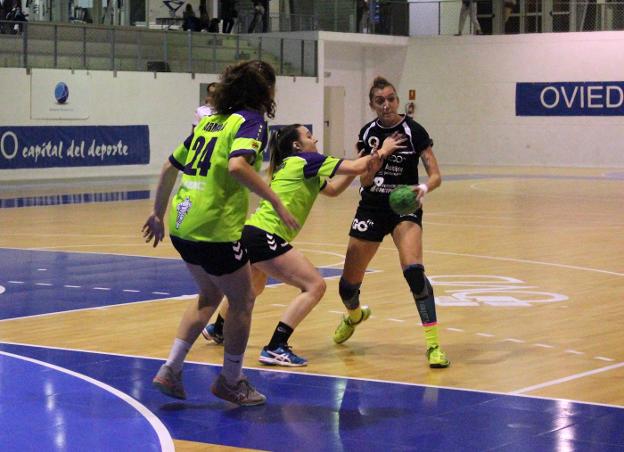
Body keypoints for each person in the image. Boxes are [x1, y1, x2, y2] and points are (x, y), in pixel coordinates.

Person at [143, 60, 299, 407]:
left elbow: (171, 165)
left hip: (183, 225)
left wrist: (157, 212)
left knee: (209, 295)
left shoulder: (210, 121)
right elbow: (238, 165)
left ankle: (170, 368)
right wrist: (276, 201)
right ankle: (231, 380)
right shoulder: (251, 121)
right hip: (215, 228)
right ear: (265, 91)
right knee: (242, 301)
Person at [201, 124, 406, 367]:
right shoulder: (307, 160)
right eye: (309, 136)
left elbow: (333, 190)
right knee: (315, 286)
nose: (315, 138)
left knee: (253, 288)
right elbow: (359, 166)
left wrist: (356, 167)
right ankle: (276, 346)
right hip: (266, 233)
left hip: (251, 232)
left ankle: (218, 328)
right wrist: (383, 150)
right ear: (297, 145)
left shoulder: (296, 166)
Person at [331, 76, 450, 369]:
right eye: (380, 101)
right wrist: (376, 163)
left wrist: (422, 189)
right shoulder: (368, 134)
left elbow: (435, 175)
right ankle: (354, 314)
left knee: (413, 272)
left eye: (391, 99)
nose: (386, 105)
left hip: (403, 207)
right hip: (371, 207)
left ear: (398, 100)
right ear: (372, 105)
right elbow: (364, 179)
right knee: (347, 287)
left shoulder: (414, 131)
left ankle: (433, 344)